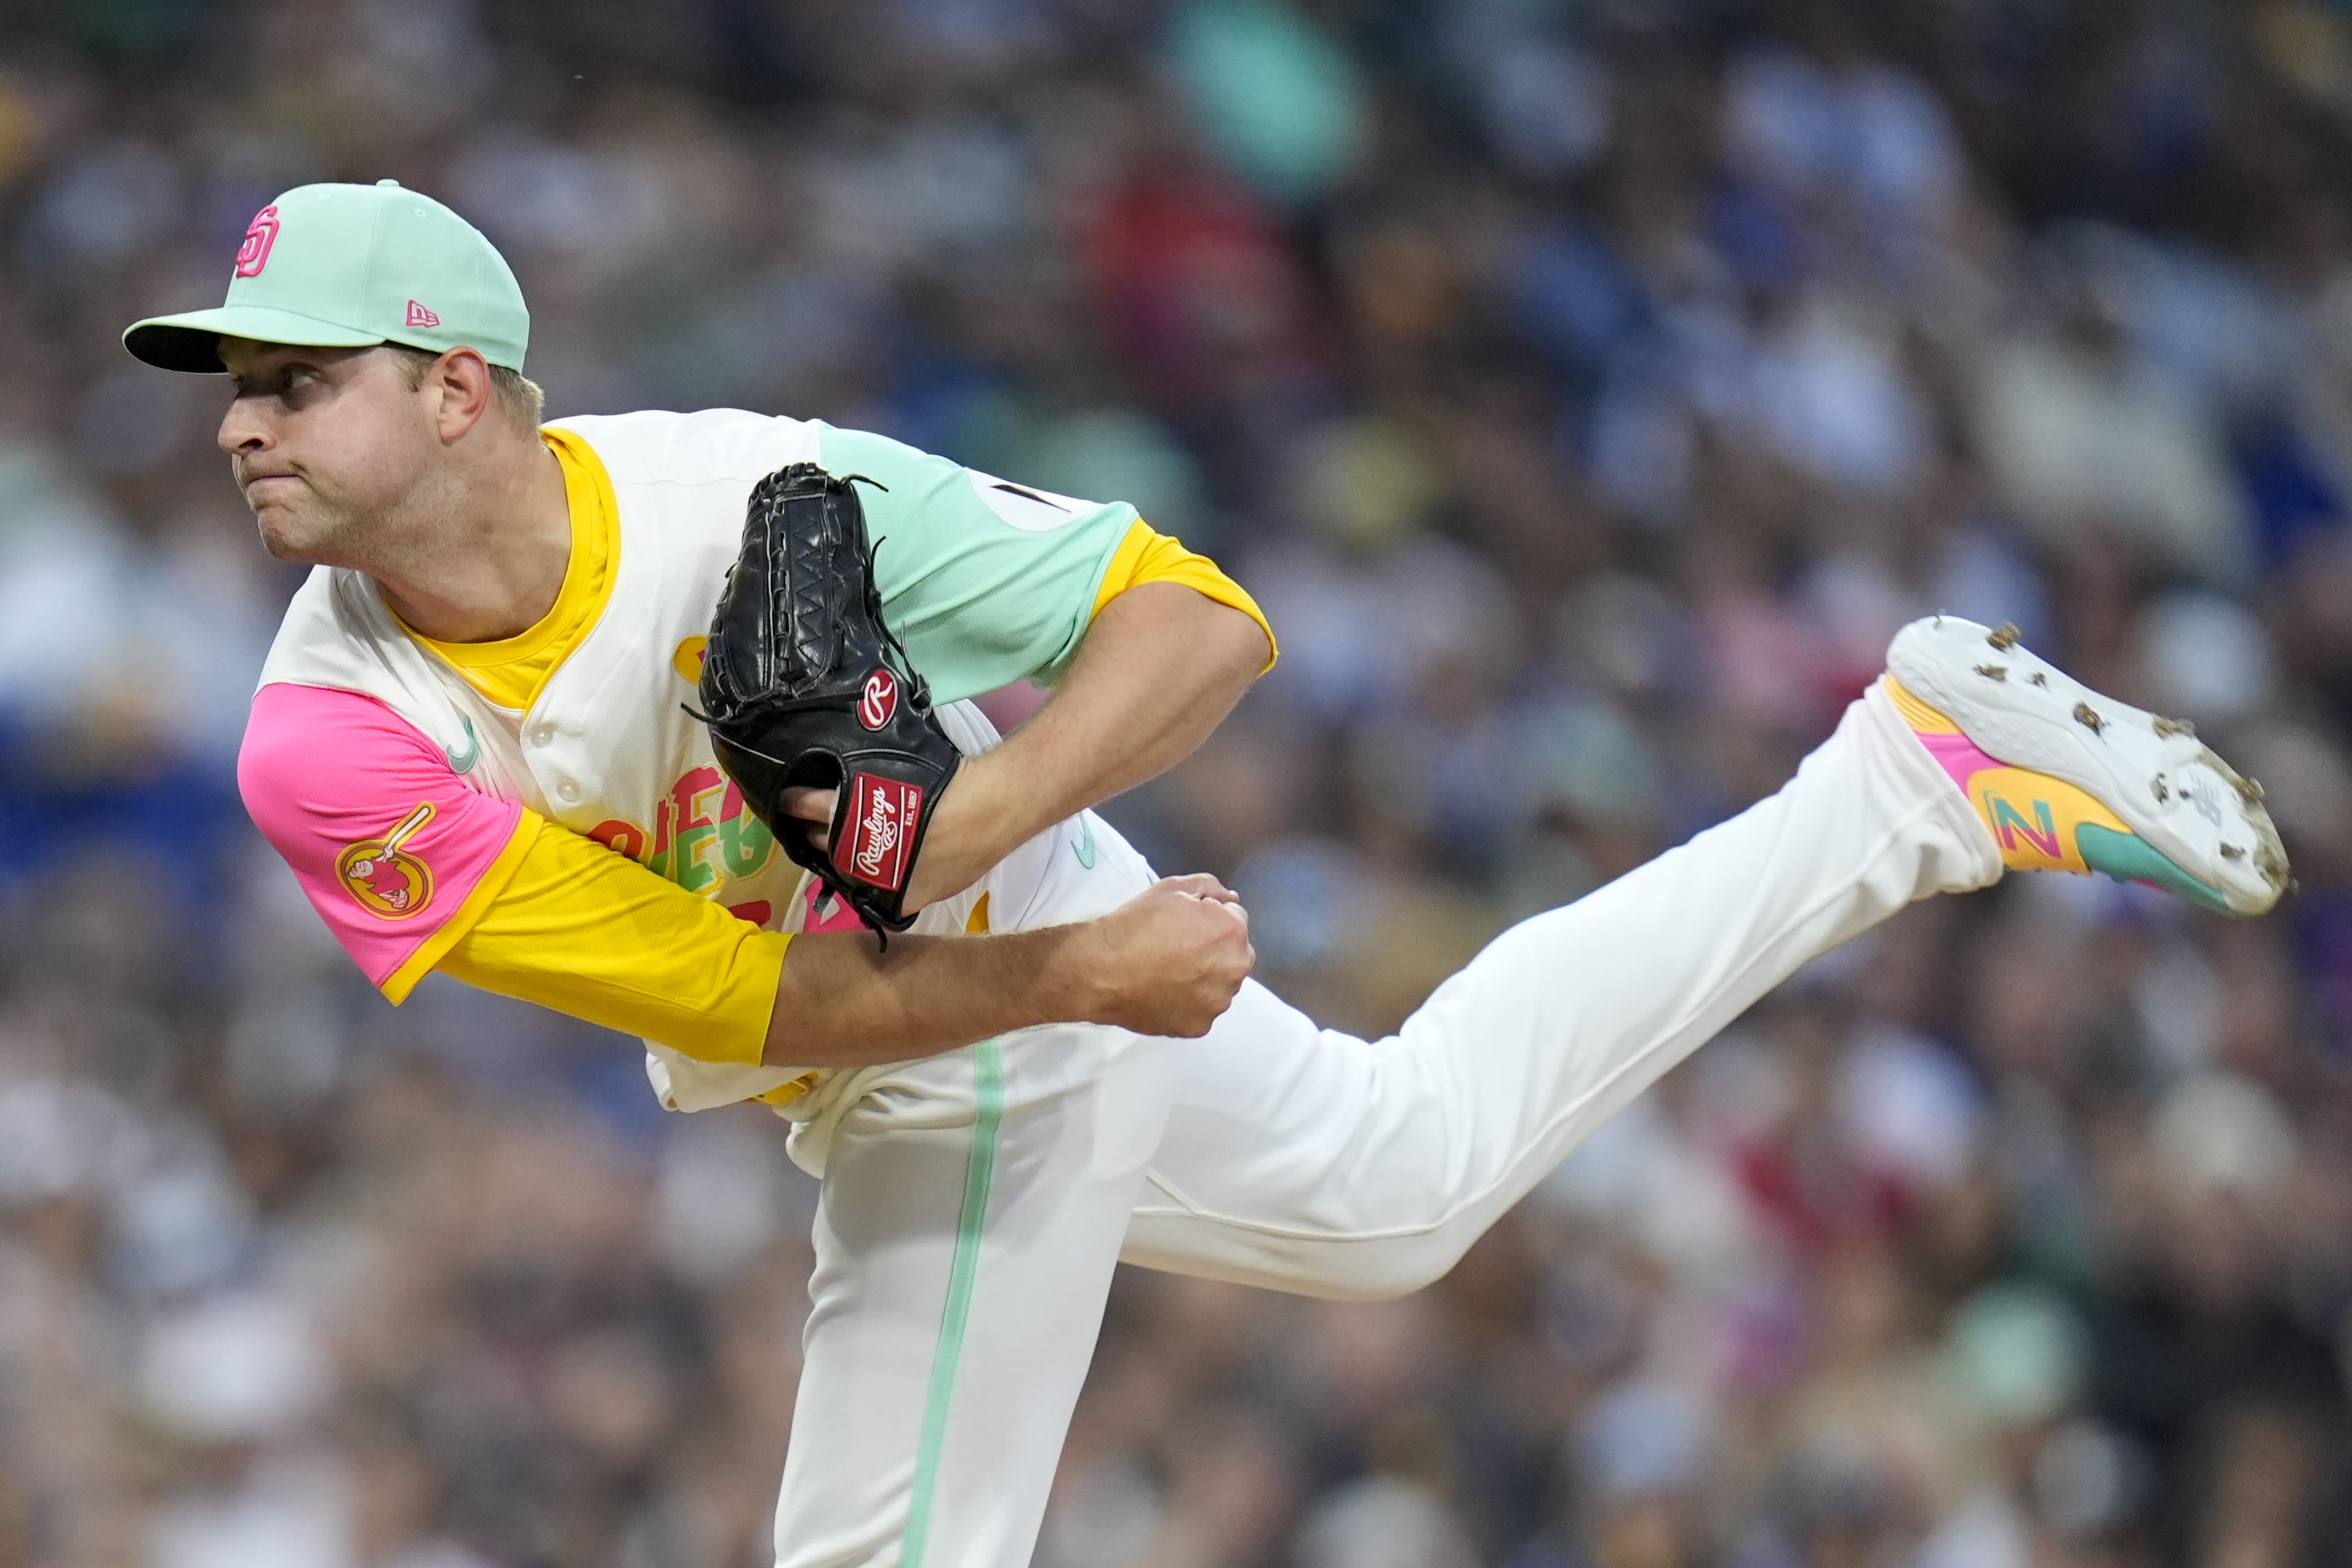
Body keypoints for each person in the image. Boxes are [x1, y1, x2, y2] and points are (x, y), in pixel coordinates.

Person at [125, 181, 2287, 1568]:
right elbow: (741, 1000)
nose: (242, 424)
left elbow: (1202, 618)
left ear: (463, 386)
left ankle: (1917, 777)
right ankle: (1910, 782)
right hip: (932, 1005)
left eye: (295, 378)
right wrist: (1050, 953)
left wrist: (956, 840)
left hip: (1003, 992)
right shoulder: (329, 742)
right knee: (1401, 1187)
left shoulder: (754, 500)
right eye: (232, 387)